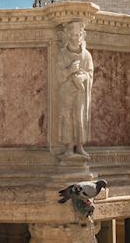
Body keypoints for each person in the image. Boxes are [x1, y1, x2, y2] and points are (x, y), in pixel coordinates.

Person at [57, 21, 93, 159]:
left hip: (80, 93)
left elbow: (90, 73)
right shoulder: (62, 54)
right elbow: (58, 76)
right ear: (68, 36)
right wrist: (69, 71)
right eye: (72, 35)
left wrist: (83, 77)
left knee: (80, 118)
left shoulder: (86, 55)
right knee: (67, 118)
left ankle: (80, 146)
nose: (75, 38)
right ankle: (69, 147)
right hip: (66, 93)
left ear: (82, 36)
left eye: (78, 35)